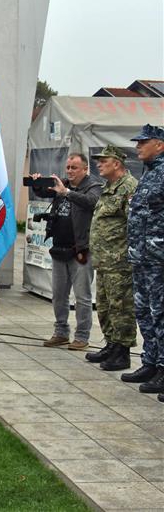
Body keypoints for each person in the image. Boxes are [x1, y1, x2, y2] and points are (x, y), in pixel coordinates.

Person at [31, 153, 101, 350]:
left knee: (83, 297)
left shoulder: (93, 186)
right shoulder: (62, 183)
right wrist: (38, 184)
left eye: (74, 168)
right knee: (59, 296)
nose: (69, 171)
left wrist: (67, 193)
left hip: (80, 251)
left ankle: (82, 336)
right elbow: (45, 193)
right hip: (59, 249)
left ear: (85, 169)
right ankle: (61, 332)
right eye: (68, 167)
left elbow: (92, 202)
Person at [84, 145, 138, 371]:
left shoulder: (129, 187)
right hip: (104, 261)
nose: (99, 164)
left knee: (121, 306)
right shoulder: (109, 187)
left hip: (119, 262)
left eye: (103, 160)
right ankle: (112, 344)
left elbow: (134, 225)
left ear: (116, 163)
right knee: (105, 306)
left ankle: (122, 352)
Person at [122, 124, 164, 400]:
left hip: (158, 258)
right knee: (144, 312)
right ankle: (150, 362)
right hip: (141, 257)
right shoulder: (148, 173)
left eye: (143, 142)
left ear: (159, 144)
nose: (138, 146)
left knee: (161, 314)